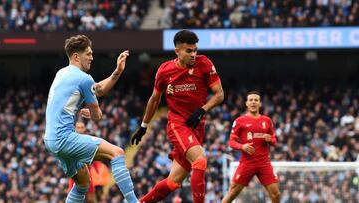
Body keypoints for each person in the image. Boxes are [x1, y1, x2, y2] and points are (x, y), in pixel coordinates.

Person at [131, 30, 224, 203]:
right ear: (177, 51)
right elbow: (154, 100)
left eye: (195, 50)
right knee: (200, 160)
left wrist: (202, 110)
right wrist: (143, 126)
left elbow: (219, 94)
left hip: (197, 125)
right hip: (178, 124)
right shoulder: (165, 71)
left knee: (173, 182)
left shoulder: (204, 64)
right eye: (189, 51)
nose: (194, 54)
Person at [44, 34, 138, 203]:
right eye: (88, 53)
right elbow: (97, 116)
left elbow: (98, 90)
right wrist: (95, 113)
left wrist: (117, 72)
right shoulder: (84, 78)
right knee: (117, 153)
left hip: (50, 139)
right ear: (76, 56)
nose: (92, 57)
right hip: (64, 137)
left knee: (82, 182)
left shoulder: (62, 73)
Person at [221, 91, 280, 203]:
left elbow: (274, 141)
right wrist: (242, 146)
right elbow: (231, 142)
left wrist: (270, 140)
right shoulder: (240, 121)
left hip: (264, 163)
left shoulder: (267, 121)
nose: (253, 102)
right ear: (246, 103)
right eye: (251, 100)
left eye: (256, 100)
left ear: (260, 104)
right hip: (247, 163)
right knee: (232, 193)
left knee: (276, 194)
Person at [67, 121, 111, 203]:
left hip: (88, 174)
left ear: (85, 129)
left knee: (91, 200)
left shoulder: (89, 140)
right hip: (75, 175)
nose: (80, 129)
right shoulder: (71, 142)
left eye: (82, 127)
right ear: (75, 129)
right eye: (78, 127)